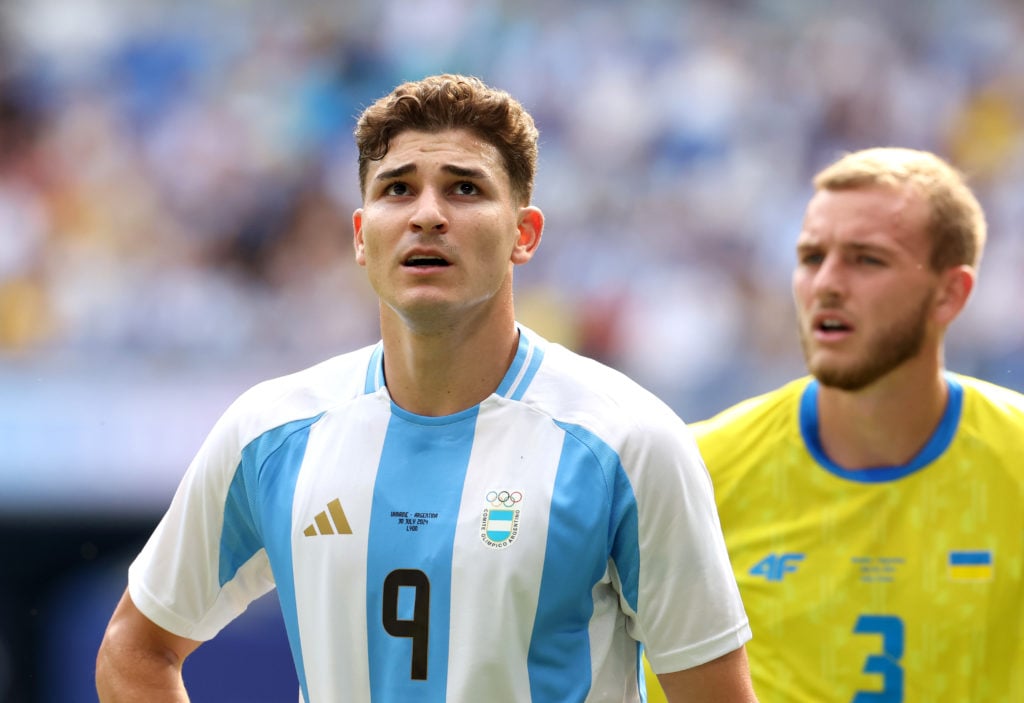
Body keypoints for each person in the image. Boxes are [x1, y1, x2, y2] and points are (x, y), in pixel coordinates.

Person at [95, 74, 758, 703]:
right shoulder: (270, 432)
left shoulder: (628, 441)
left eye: (465, 188)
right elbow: (135, 648)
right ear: (362, 236)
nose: (427, 215)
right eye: (397, 189)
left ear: (523, 235)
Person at [645, 146, 1024, 702]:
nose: (826, 283)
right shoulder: (694, 472)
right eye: (810, 256)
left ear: (951, 293)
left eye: (867, 259)